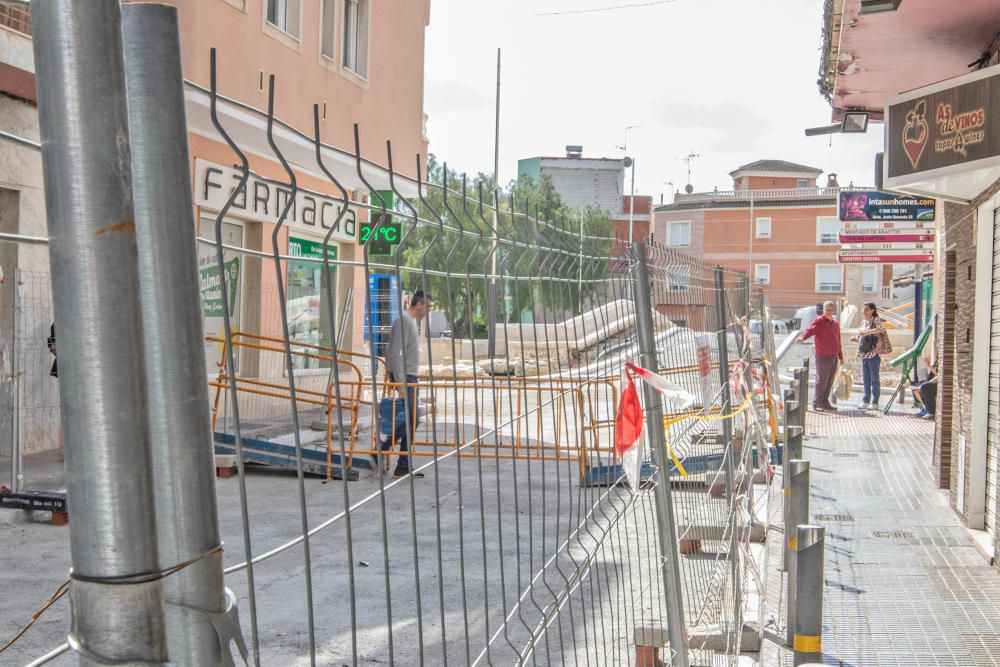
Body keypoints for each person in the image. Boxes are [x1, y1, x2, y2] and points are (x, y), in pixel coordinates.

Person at [382, 290, 431, 478]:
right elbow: (395, 352)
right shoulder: (404, 321)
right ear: (419, 305)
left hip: (410, 377)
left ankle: (402, 463)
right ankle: (383, 447)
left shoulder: (410, 322)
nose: (429, 310)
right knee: (412, 419)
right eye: (428, 306)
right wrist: (400, 382)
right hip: (406, 378)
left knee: (411, 420)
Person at [798, 300, 844, 411]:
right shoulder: (819, 321)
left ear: (834, 311)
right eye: (827, 310)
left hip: (833, 356)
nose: (829, 312)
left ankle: (825, 402)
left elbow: (838, 340)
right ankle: (817, 402)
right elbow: (810, 330)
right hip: (823, 355)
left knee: (829, 381)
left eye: (831, 310)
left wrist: (841, 356)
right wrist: (802, 337)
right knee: (822, 380)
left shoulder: (835, 324)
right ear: (823, 310)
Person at [850, 302, 891, 411]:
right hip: (864, 355)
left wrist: (866, 332)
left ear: (872, 310)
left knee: (874, 379)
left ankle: (875, 402)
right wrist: (856, 338)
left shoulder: (875, 320)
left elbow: (881, 329)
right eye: (864, 309)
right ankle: (865, 401)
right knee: (866, 380)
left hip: (873, 355)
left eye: (867, 309)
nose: (865, 311)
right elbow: (863, 337)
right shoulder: (863, 322)